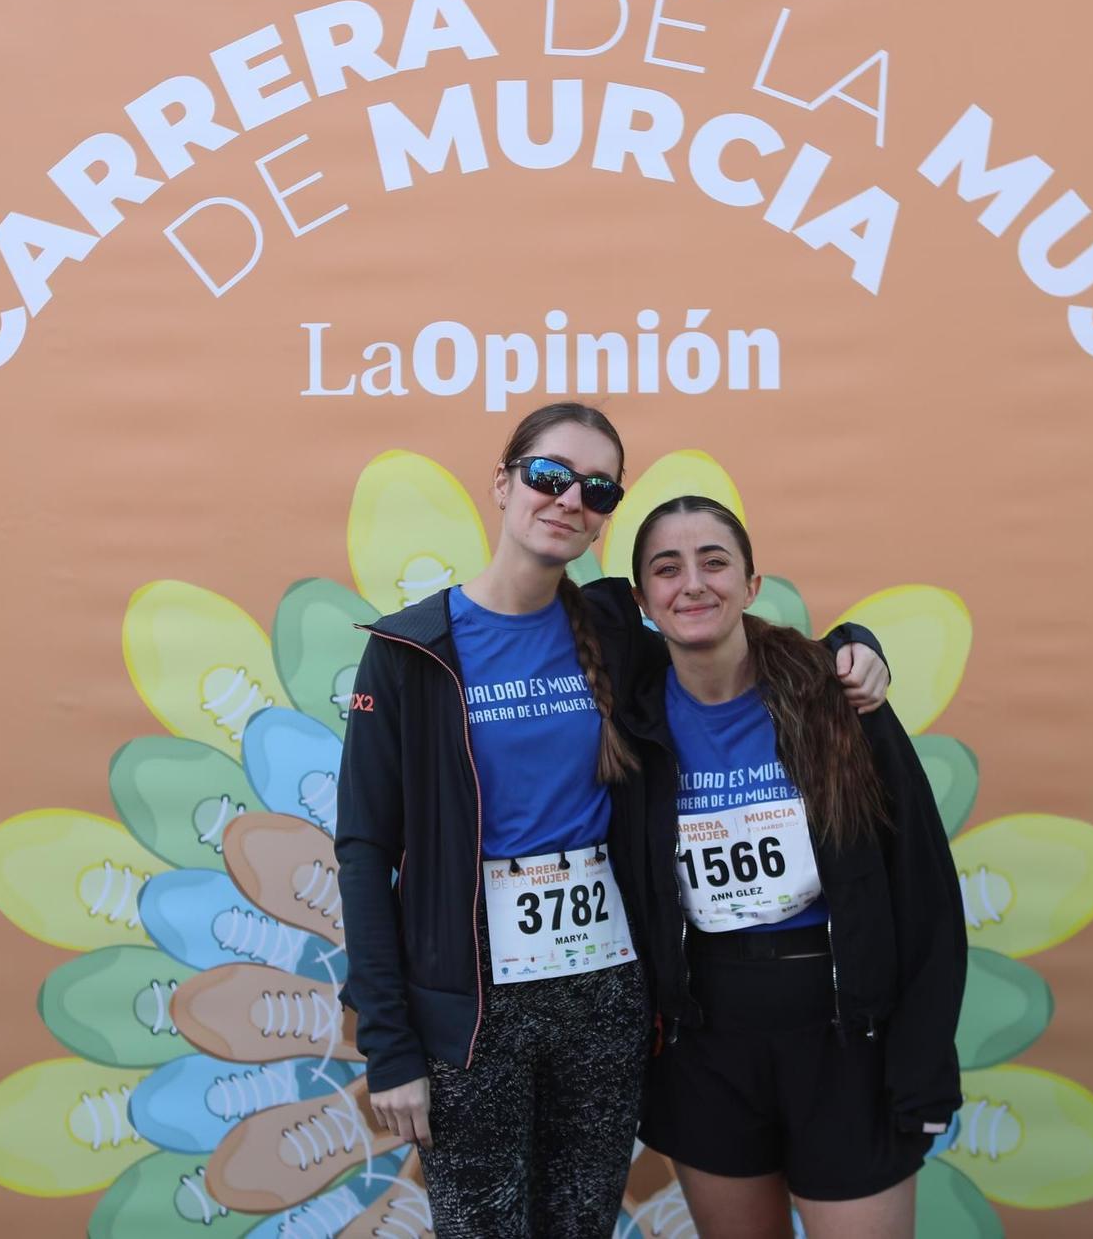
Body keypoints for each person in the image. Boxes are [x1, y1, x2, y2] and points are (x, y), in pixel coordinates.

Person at [334, 403, 890, 1238]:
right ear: (503, 482)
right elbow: (365, 849)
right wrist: (390, 1044)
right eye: (549, 476)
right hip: (475, 1006)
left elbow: (732, 642)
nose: (568, 500)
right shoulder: (413, 652)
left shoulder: (613, 629)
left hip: (607, 996)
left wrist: (854, 640)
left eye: (595, 489)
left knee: (580, 1226)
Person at [599, 495, 965, 1239]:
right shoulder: (630, 717)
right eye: (666, 570)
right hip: (707, 1041)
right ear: (644, 600)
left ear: (753, 583)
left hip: (843, 1036)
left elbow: (923, 884)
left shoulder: (837, 696)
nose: (692, 584)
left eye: (714, 562)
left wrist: (922, 1064)